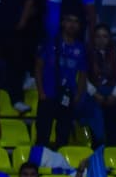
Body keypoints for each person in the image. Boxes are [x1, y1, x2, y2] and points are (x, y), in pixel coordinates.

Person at [34, 12, 88, 150]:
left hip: (67, 96)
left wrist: (78, 95)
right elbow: (38, 67)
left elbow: (83, 74)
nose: (72, 24)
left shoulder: (80, 48)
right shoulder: (50, 43)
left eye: (76, 21)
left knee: (63, 137)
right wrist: (41, 92)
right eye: (69, 20)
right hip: (48, 94)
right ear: (63, 23)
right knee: (42, 136)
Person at [83, 24, 116, 147]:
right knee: (92, 107)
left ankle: (113, 144)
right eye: (98, 36)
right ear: (93, 38)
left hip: (113, 92)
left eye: (104, 36)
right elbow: (83, 78)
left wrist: (114, 95)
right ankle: (98, 142)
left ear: (109, 38)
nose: (101, 40)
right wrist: (95, 93)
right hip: (94, 93)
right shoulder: (87, 53)